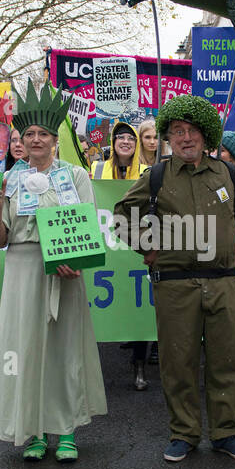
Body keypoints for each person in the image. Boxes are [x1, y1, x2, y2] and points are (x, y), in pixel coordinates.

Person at [114, 94, 235, 463]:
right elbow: (121, 214)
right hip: (175, 285)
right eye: (177, 131)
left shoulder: (228, 174)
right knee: (177, 361)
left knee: (227, 361)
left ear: (206, 134)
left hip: (224, 281)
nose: (185, 137)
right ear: (169, 137)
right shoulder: (157, 177)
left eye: (192, 130)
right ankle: (184, 433)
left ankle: (226, 433)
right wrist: (145, 245)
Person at [0, 82, 106, 463]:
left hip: (64, 272)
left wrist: (75, 259)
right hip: (21, 271)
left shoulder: (76, 176)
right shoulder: (8, 179)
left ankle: (66, 430)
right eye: (29, 134)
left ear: (55, 139)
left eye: (43, 134)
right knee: (22, 351)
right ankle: (32, 430)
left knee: (64, 350)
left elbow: (87, 230)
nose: (35, 140)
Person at [90, 119, 151, 390]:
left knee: (139, 305)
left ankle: (139, 364)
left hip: (136, 241)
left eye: (130, 138)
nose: (125, 142)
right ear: (113, 143)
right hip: (108, 242)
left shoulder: (148, 170)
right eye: (120, 138)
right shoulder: (97, 168)